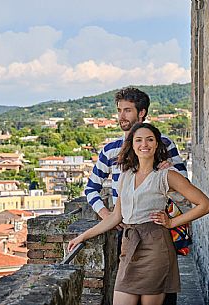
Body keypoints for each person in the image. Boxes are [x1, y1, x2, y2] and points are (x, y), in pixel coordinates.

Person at [68, 123, 209, 305]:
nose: (144, 144)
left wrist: (172, 223)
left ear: (157, 145)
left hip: (156, 248)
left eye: (150, 139)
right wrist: (82, 236)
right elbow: (115, 217)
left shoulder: (166, 174)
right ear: (132, 145)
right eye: (139, 140)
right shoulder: (125, 175)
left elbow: (205, 205)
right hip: (129, 248)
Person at [84, 87, 187, 305]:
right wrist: (108, 216)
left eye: (127, 110)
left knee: (164, 298)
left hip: (158, 230)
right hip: (127, 232)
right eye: (119, 110)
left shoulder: (164, 144)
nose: (121, 116)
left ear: (141, 113)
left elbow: (183, 190)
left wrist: (170, 171)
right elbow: (91, 188)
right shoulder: (110, 150)